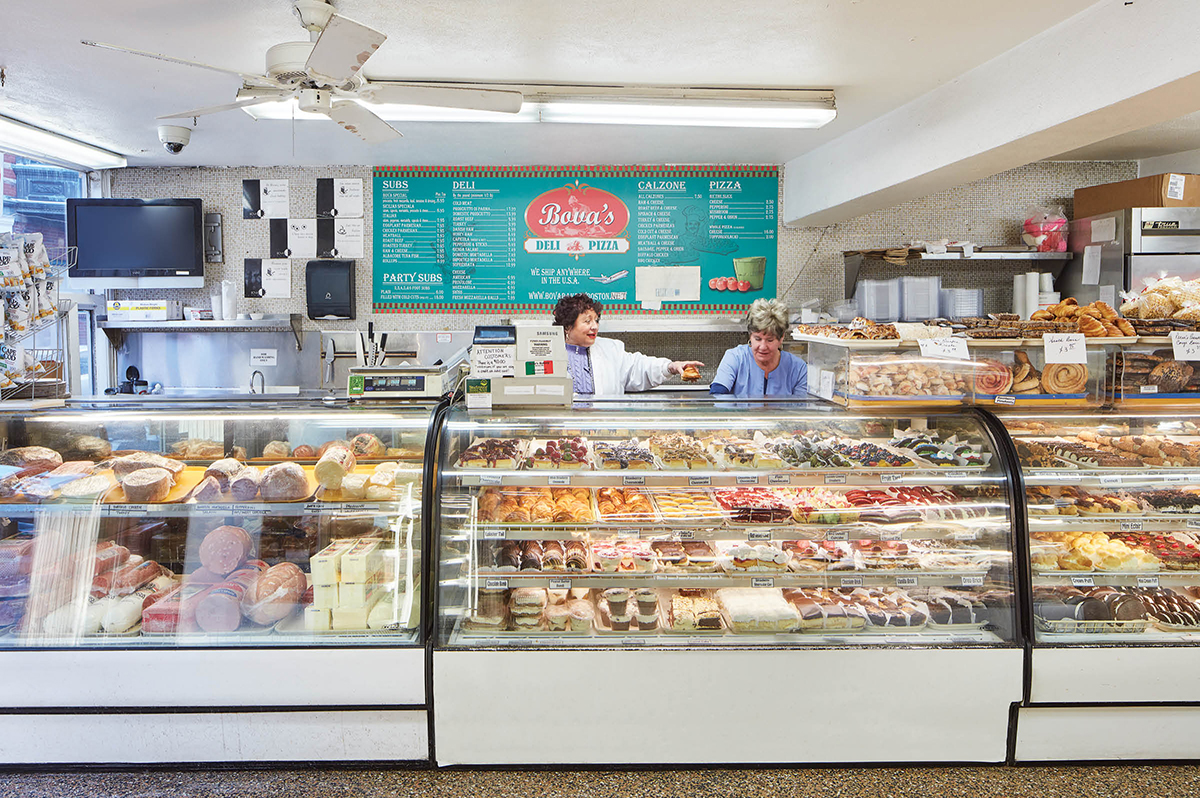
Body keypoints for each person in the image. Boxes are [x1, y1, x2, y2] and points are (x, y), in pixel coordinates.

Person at [553, 293, 704, 396]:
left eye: (596, 320)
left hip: (602, 430)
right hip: (560, 431)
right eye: (587, 321)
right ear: (567, 326)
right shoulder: (548, 351)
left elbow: (639, 367)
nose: (595, 326)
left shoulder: (611, 350)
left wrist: (670, 367)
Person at [710, 298, 807, 397]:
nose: (763, 347)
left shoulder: (798, 368)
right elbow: (717, 395)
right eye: (757, 339)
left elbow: (802, 407)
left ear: (781, 338)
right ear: (750, 336)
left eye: (770, 340)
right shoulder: (735, 358)